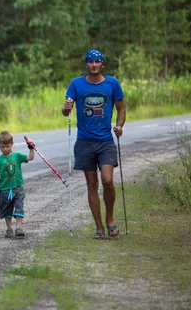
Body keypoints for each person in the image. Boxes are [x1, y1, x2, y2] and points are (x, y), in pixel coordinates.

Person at [62, 49, 126, 239]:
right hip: (84, 141)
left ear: (102, 64)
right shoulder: (76, 84)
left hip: (105, 140)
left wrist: (119, 126)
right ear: (86, 65)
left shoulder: (112, 84)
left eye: (98, 61)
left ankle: (110, 218)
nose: (94, 64)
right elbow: (67, 111)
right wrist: (65, 109)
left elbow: (121, 109)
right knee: (91, 184)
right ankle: (99, 228)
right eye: (91, 62)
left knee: (107, 180)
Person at [0, 131, 34, 238]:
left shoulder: (17, 156)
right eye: (2, 147)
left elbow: (30, 158)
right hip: (4, 190)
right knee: (6, 211)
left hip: (17, 188)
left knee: (19, 207)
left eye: (7, 146)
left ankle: (18, 228)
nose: (5, 149)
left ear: (12, 144)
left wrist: (31, 147)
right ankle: (9, 228)